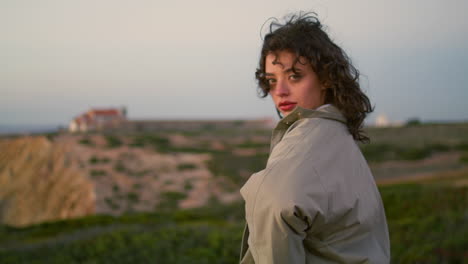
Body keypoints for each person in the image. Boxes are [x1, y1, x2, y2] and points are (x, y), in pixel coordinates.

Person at [239, 13, 390, 264]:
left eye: (294, 76)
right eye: (271, 80)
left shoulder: (307, 142)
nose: (280, 91)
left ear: (326, 78)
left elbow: (274, 203)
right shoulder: (337, 133)